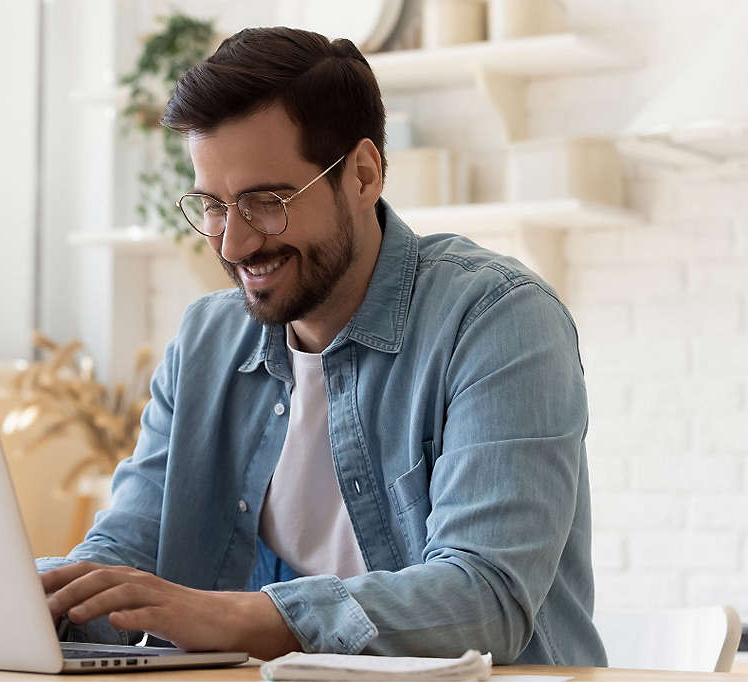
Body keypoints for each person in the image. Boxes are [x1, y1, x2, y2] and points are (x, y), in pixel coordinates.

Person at [37, 26, 607, 666]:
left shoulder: (498, 319)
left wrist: (226, 615)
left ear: (363, 175)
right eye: (214, 206)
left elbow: (485, 600)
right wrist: (32, 598)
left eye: (266, 202)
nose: (232, 244)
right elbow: (126, 551)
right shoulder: (206, 341)